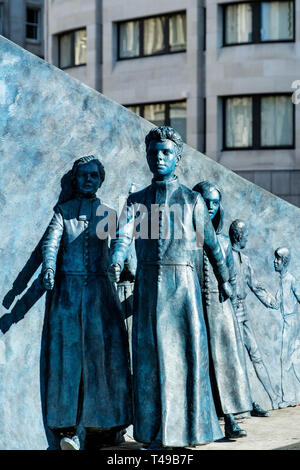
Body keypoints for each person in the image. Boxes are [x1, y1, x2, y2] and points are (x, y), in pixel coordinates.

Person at [108, 126, 232, 449]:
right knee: (150, 361)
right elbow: (122, 235)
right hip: (149, 287)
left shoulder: (192, 201)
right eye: (153, 153)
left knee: (186, 359)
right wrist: (117, 260)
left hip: (183, 290)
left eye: (165, 153)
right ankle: (153, 432)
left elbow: (213, 247)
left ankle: (187, 430)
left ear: (178, 157)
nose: (159, 158)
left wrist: (225, 278)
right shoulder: (136, 201)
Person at [42, 155, 132, 450]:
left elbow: (120, 241)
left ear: (100, 180)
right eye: (84, 175)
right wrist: (49, 267)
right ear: (76, 179)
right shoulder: (64, 211)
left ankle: (108, 426)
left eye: (94, 175)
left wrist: (119, 263)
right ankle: (69, 427)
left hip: (98, 295)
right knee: (70, 363)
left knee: (103, 363)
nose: (89, 180)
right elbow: (52, 241)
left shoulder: (106, 212)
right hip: (68, 294)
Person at [193, 181, 252, 439]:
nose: (210, 207)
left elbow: (233, 280)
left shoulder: (224, 242)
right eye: (205, 202)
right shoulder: (187, 240)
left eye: (215, 203)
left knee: (224, 363)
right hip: (194, 309)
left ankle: (230, 418)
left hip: (220, 311)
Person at [229, 219, 281, 412]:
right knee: (237, 361)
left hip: (242, 313)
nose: (248, 238)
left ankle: (273, 398)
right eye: (246, 235)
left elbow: (256, 285)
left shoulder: (245, 260)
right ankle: (245, 403)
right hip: (229, 314)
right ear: (239, 236)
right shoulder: (226, 256)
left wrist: (271, 302)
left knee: (255, 355)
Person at [273, 247, 300, 408]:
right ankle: (290, 396)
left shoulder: (290, 279)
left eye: (278, 259)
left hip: (291, 322)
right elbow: (277, 302)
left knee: (286, 358)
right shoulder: (281, 280)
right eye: (275, 258)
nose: (274, 262)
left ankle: (289, 397)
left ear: (284, 262)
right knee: (290, 359)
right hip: (287, 322)